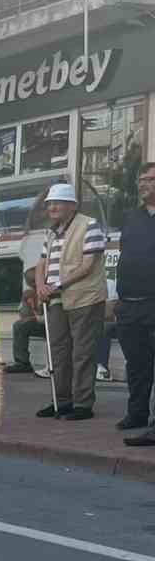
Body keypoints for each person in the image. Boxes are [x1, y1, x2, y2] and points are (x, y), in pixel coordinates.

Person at [36, 184, 107, 420]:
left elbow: (88, 265)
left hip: (84, 298)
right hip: (56, 300)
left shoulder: (89, 225)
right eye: (50, 203)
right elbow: (41, 263)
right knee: (58, 352)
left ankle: (83, 404)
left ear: (72, 205)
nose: (52, 207)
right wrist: (40, 286)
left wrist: (56, 285)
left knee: (83, 352)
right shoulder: (51, 232)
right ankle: (61, 401)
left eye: (58, 202)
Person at [119, 163, 155, 444]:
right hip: (129, 303)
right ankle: (137, 413)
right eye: (141, 179)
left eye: (151, 179)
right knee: (137, 363)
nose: (144, 184)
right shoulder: (131, 217)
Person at [3, 263, 46, 374]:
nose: (31, 284)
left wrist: (37, 317)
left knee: (22, 324)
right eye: (29, 281)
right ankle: (22, 363)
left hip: (57, 324)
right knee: (19, 326)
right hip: (42, 324)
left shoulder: (50, 289)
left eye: (32, 281)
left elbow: (50, 315)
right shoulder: (30, 294)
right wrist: (27, 303)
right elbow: (25, 317)